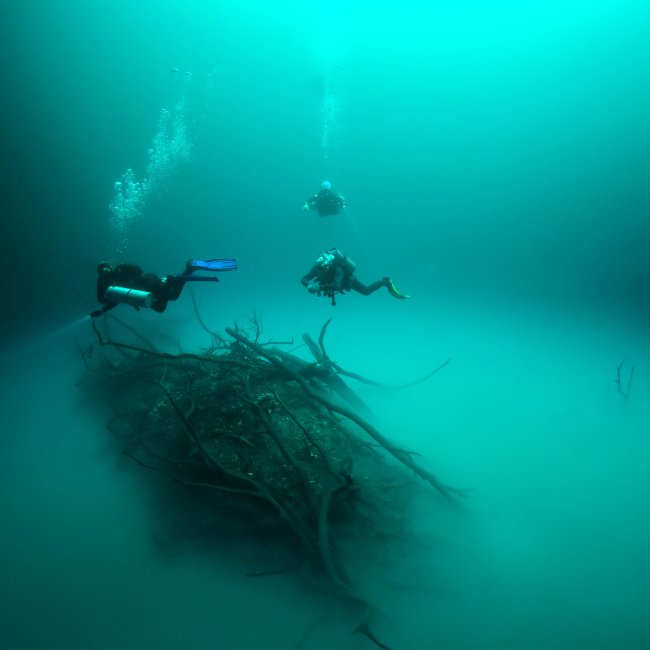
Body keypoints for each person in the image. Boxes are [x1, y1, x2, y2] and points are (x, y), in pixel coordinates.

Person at [90, 258, 238, 318]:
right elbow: (138, 270)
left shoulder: (109, 280)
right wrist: (103, 310)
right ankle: (189, 269)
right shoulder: (120, 269)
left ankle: (174, 278)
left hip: (144, 286)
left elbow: (105, 299)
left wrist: (103, 308)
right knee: (171, 297)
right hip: (149, 278)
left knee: (161, 306)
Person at [300, 248, 409, 306]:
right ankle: (385, 282)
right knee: (366, 292)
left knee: (366, 291)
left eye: (324, 269)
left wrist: (319, 288)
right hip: (338, 284)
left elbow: (337, 285)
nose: (321, 271)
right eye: (320, 269)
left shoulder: (336, 268)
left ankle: (385, 282)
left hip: (349, 281)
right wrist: (308, 286)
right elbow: (303, 279)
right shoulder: (317, 268)